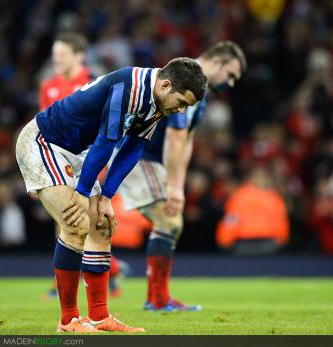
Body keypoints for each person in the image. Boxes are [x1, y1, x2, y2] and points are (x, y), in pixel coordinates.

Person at [16, 58, 207, 333]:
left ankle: (99, 316)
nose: (180, 110)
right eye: (182, 102)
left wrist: (106, 195)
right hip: (44, 142)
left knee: (103, 226)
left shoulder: (156, 103)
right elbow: (107, 140)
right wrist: (82, 193)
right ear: (166, 85)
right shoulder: (130, 86)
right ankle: (68, 321)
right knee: (77, 222)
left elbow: (133, 147)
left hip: (76, 151)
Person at [117, 41, 246, 311]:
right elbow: (175, 138)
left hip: (150, 159)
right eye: (231, 75)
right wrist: (175, 188)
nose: (231, 83)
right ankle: (157, 299)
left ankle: (157, 298)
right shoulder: (185, 81)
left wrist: (178, 185)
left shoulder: (199, 92)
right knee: (169, 221)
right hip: (139, 154)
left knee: (170, 223)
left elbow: (186, 142)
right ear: (218, 62)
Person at [39, 32, 126, 300]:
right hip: (59, 159)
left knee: (92, 219)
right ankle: (78, 278)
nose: (57, 59)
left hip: (90, 159)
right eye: (55, 54)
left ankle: (105, 272)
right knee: (66, 217)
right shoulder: (48, 86)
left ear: (79, 56)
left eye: (62, 54)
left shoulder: (93, 83)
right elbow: (45, 125)